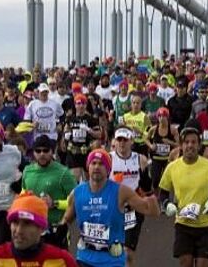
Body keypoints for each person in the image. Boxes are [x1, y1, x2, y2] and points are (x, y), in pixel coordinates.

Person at [59, 148, 160, 267]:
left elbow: (153, 212)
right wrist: (57, 233)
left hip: (112, 261)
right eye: (93, 163)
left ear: (108, 169)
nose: (97, 167)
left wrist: (149, 192)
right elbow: (66, 220)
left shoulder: (121, 191)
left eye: (101, 164)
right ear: (88, 167)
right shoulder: (76, 193)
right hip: (84, 259)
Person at [159, 125, 208, 267]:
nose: (190, 145)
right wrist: (167, 204)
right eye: (186, 142)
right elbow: (163, 193)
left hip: (206, 225)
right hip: (183, 224)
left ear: (199, 145)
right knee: (185, 263)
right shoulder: (172, 168)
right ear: (181, 145)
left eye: (193, 142)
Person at [0, 192, 78, 266]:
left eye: (27, 223)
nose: (19, 230)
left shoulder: (62, 261)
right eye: (15, 222)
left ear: (42, 229)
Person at [21, 135, 77, 249]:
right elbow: (22, 195)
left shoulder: (63, 173)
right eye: (38, 151)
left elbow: (77, 201)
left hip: (56, 229)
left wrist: (54, 203)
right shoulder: (27, 171)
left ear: (52, 151)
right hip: (33, 228)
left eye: (46, 150)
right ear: (33, 152)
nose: (42, 154)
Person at [110, 127, 152, 266]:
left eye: (125, 140)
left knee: (127, 253)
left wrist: (149, 203)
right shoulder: (108, 159)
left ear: (131, 141)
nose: (122, 143)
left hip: (133, 209)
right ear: (114, 142)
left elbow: (147, 188)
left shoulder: (141, 159)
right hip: (113, 208)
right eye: (119, 140)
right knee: (111, 250)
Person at [0, 120, 23, 250]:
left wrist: (19, 184)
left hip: (5, 210)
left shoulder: (13, 152)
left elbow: (28, 170)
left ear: (1, 136)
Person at [63, 94, 102, 181]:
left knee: (88, 179)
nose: (81, 106)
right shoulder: (69, 118)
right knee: (74, 179)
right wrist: (66, 135)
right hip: (73, 152)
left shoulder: (91, 119)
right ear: (75, 105)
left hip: (86, 151)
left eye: (83, 103)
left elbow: (99, 134)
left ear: (86, 105)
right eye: (78, 103)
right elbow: (65, 131)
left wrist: (89, 130)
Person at [146, 107, 178, 193]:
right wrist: (151, 145)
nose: (161, 119)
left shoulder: (172, 130)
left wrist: (169, 142)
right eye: (159, 116)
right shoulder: (154, 129)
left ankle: (165, 197)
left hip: (168, 159)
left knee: (167, 181)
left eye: (163, 116)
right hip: (156, 158)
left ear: (167, 117)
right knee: (155, 179)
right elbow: (146, 138)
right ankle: (155, 193)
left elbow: (179, 145)